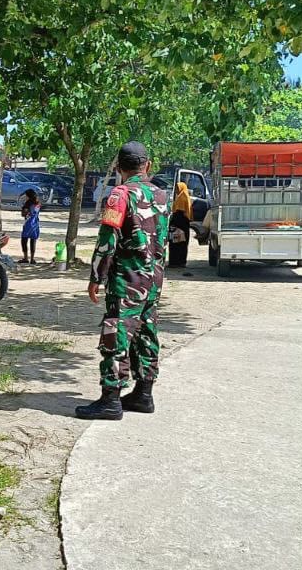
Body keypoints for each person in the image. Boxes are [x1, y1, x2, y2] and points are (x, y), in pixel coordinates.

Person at [77, 141, 167, 421]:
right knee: (146, 333)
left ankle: (111, 400)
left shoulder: (119, 195)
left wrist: (96, 276)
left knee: (116, 333)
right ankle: (143, 394)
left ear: (118, 168)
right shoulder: (161, 195)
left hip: (127, 280)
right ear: (147, 165)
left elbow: (107, 240)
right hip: (154, 279)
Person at [168, 181, 192, 268]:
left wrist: (173, 224)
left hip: (179, 225)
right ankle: (181, 262)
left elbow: (179, 212)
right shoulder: (184, 196)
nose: (176, 190)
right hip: (184, 224)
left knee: (176, 244)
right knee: (182, 244)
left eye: (178, 188)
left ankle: (175, 262)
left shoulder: (182, 197)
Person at [20, 189, 41, 264]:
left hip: (28, 224)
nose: (25, 197)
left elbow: (24, 214)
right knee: (33, 241)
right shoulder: (38, 204)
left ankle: (25, 258)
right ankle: (32, 259)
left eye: (26, 195)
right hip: (35, 223)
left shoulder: (27, 204)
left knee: (24, 240)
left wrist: (23, 208)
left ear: (29, 196)